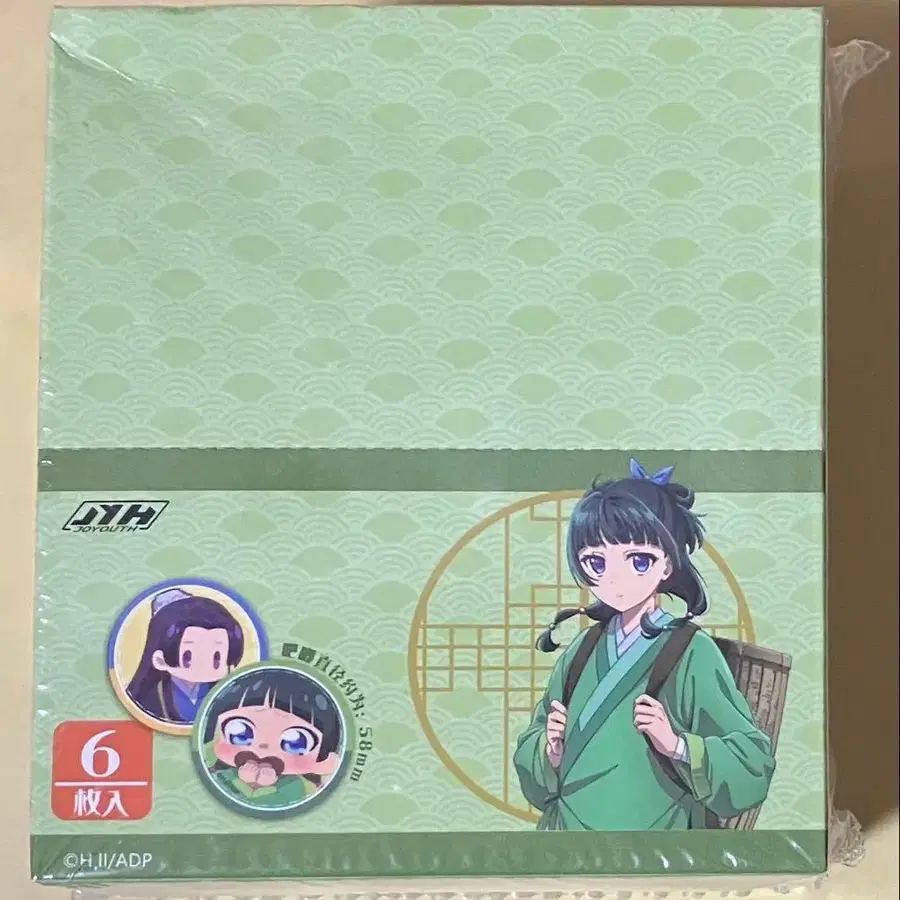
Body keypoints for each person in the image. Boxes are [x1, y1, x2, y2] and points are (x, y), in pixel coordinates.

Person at [513, 459, 776, 830]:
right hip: (569, 839)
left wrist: (677, 745)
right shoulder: (582, 650)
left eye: (638, 560)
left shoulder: (693, 652)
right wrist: (548, 751)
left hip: (658, 838)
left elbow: (752, 762)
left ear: (667, 565)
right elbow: (532, 749)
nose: (615, 578)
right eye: (596, 563)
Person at [201, 668, 342, 809]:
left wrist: (257, 785)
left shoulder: (300, 785)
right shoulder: (217, 770)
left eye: (295, 743)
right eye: (240, 733)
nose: (263, 748)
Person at [126, 587, 245, 724]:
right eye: (188, 657)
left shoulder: (228, 694)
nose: (203, 665)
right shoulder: (149, 698)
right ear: (159, 660)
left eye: (216, 658)